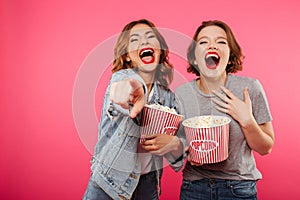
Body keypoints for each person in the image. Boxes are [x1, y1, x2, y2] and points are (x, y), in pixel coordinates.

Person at [83, 19, 185, 200]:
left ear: (160, 50)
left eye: (150, 36)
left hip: (148, 186)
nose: (144, 42)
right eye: (135, 39)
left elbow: (177, 161)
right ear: (128, 55)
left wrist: (175, 144)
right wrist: (129, 93)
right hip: (109, 182)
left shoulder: (168, 98)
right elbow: (121, 90)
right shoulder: (121, 78)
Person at [175, 20, 275, 200]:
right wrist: (186, 151)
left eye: (221, 41)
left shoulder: (249, 88)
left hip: (239, 187)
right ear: (195, 57)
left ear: (230, 55)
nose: (212, 45)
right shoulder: (182, 94)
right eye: (204, 42)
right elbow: (177, 144)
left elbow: (266, 147)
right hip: (194, 187)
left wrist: (247, 121)